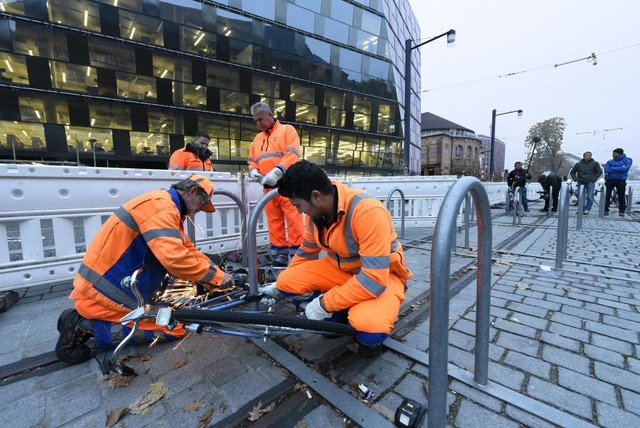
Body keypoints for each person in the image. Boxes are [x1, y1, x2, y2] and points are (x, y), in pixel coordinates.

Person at [55, 175, 233, 364]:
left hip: (106, 285)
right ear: (193, 192)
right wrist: (217, 278)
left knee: (171, 309)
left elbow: (187, 250)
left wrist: (217, 275)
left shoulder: (164, 205)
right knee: (175, 327)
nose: (199, 210)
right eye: (202, 203)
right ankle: (83, 326)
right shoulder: (162, 208)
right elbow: (175, 258)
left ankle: (85, 319)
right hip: (106, 292)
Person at [273, 160, 413, 358]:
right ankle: (343, 311)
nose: (298, 211)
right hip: (342, 271)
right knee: (286, 282)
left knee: (369, 328)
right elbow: (306, 253)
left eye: (298, 205)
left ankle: (349, 314)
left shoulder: (367, 212)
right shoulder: (314, 215)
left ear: (316, 196)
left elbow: (373, 281)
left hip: (382, 276)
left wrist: (323, 304)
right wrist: (279, 284)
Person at [247, 102, 303, 267]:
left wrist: (278, 171)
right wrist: (253, 171)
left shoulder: (287, 130)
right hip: (268, 187)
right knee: (274, 222)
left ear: (270, 115)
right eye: (255, 121)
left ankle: (297, 257)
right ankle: (279, 257)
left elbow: (292, 154)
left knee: (294, 221)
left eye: (261, 119)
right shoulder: (258, 139)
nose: (259, 124)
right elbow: (252, 160)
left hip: (288, 185)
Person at [604, 148, 633, 217]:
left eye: (614, 153)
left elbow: (625, 169)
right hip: (610, 180)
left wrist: (612, 168)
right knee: (607, 195)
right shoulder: (610, 161)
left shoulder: (628, 160)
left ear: (619, 154)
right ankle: (605, 209)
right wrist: (619, 169)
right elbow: (606, 170)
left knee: (621, 196)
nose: (612, 155)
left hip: (621, 180)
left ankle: (621, 211)